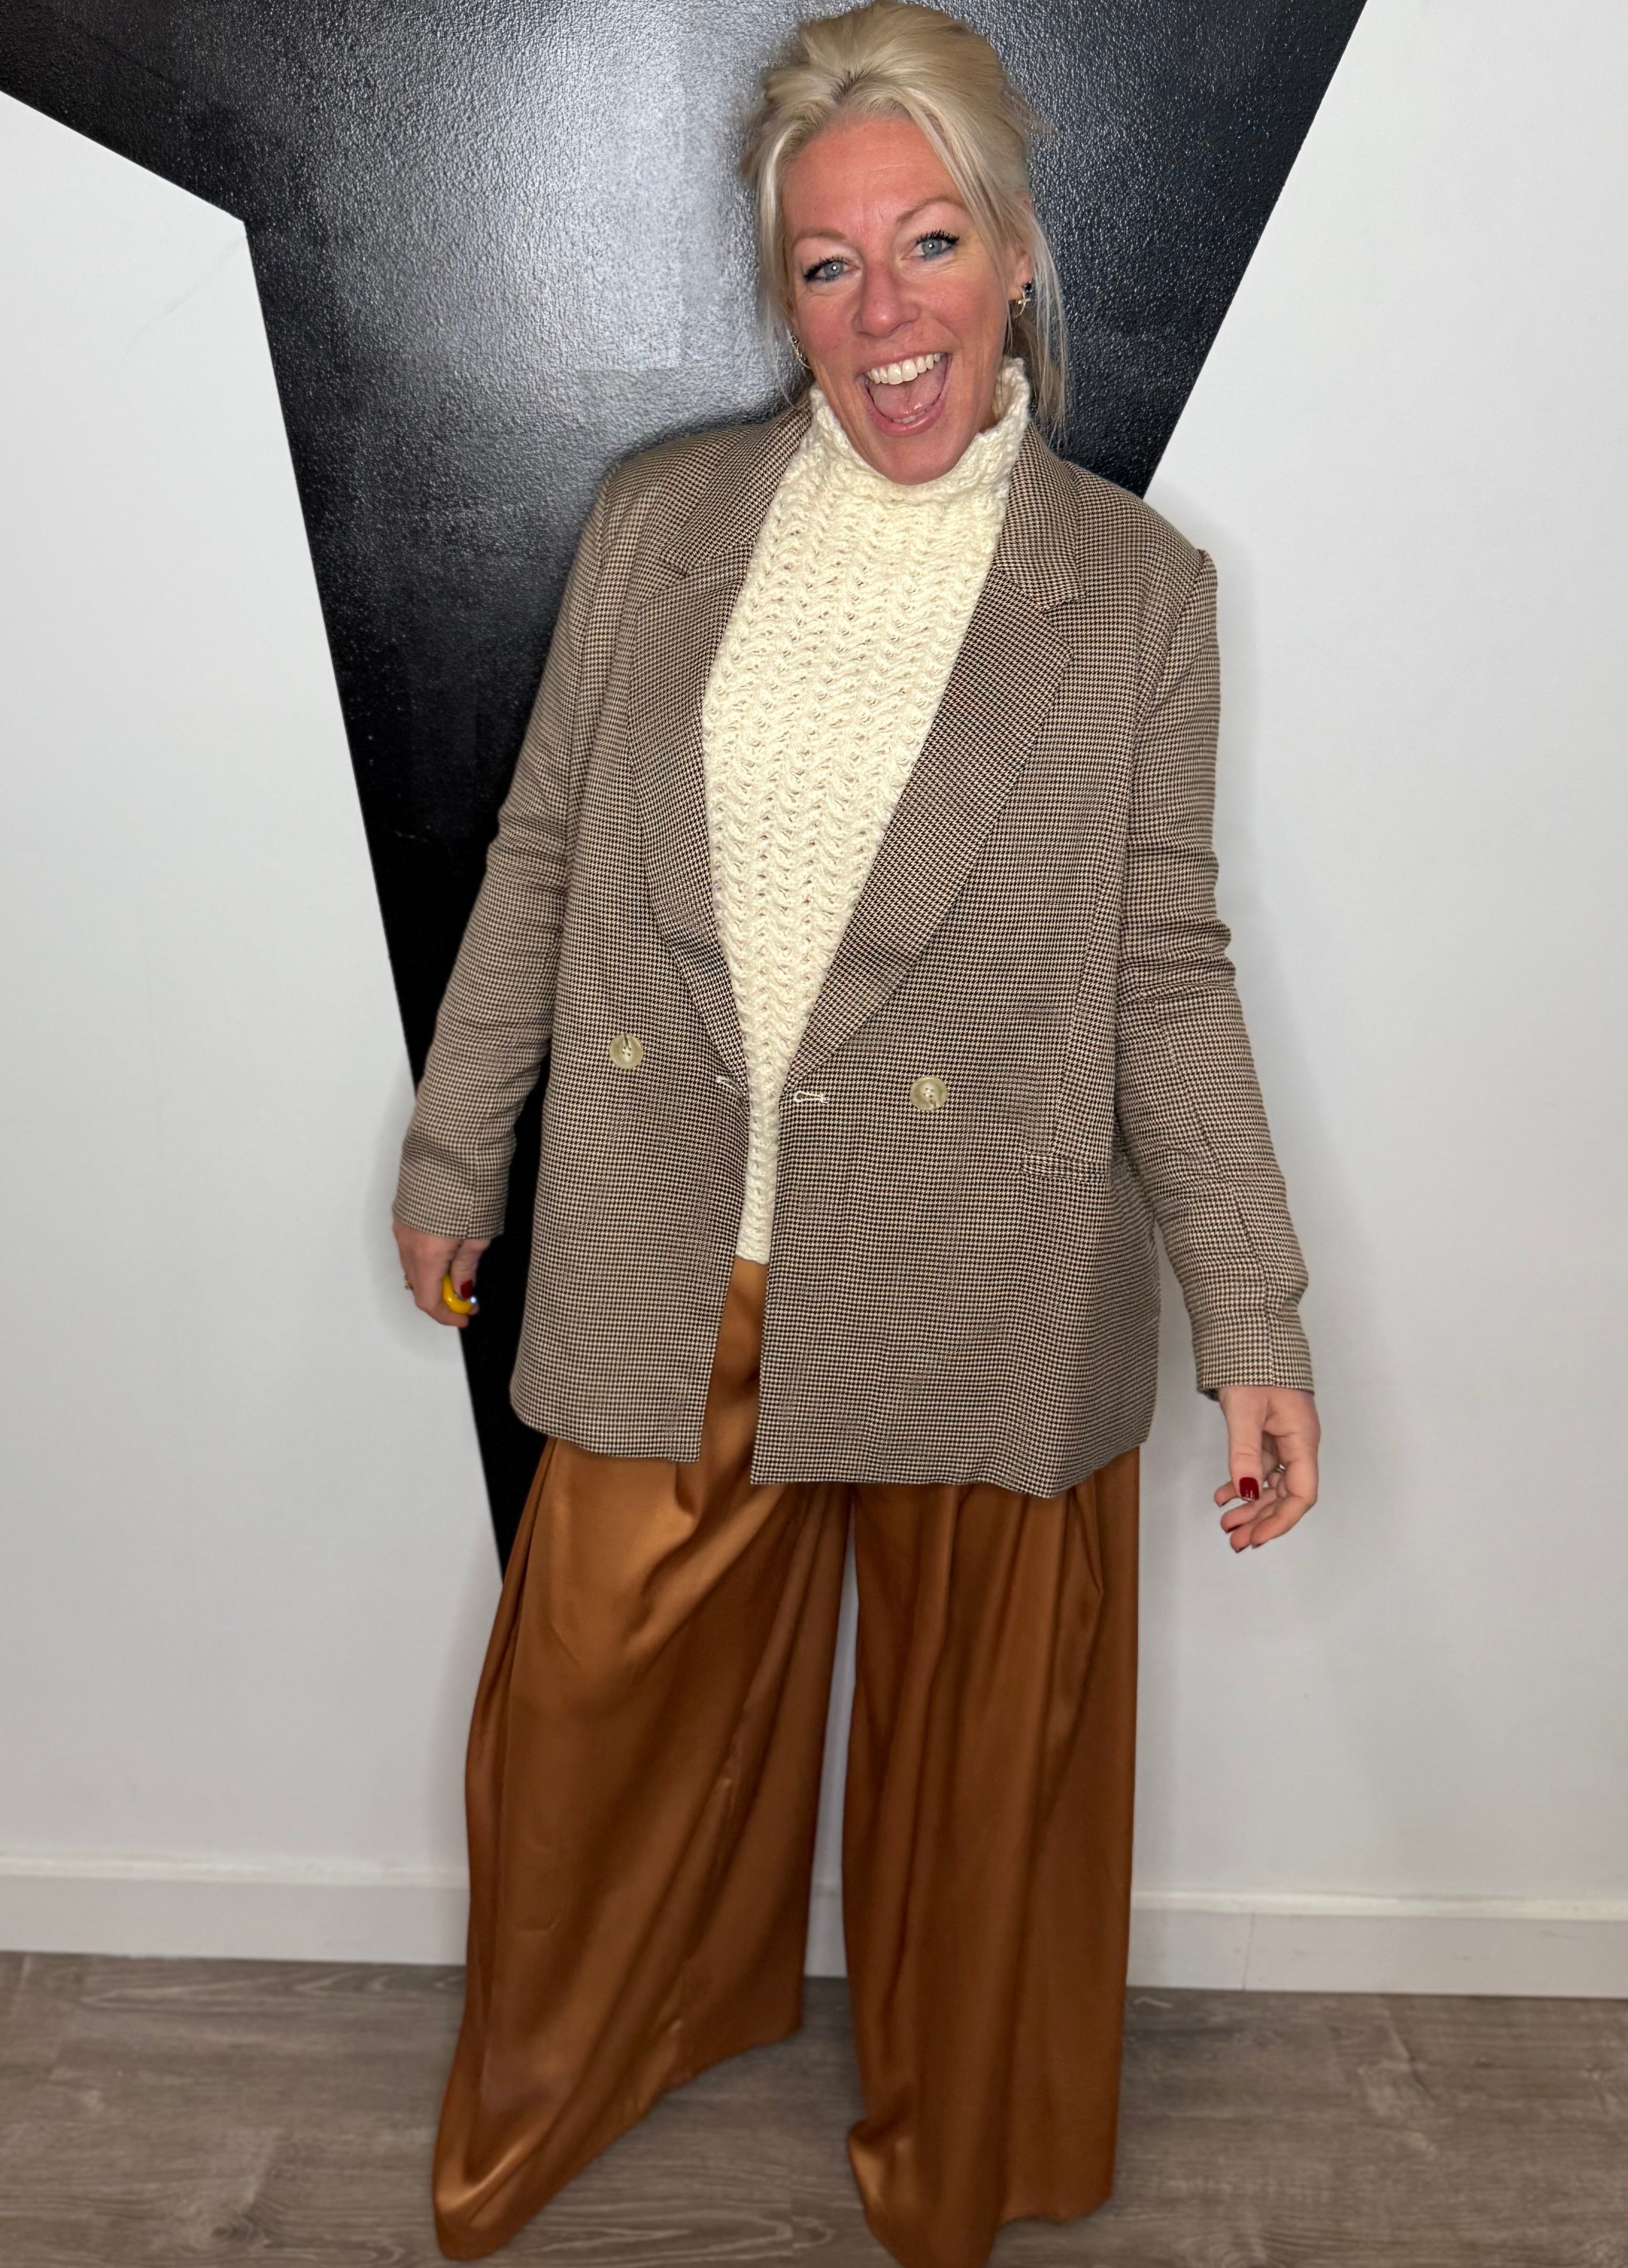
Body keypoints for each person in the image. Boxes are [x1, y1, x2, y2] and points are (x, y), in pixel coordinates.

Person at [392, 4, 1321, 2262]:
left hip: (980, 1267)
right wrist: (455, 1150)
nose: (882, 313)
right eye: (828, 266)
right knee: (597, 1712)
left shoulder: (1135, 599)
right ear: (782, 296)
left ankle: (959, 2154)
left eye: (925, 245)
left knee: (970, 1781)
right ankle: (601, 2054)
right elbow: (538, 851)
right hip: (663, 1236)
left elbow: (1161, 973)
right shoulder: (664, 525)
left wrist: (1255, 1319)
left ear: (1014, 260)